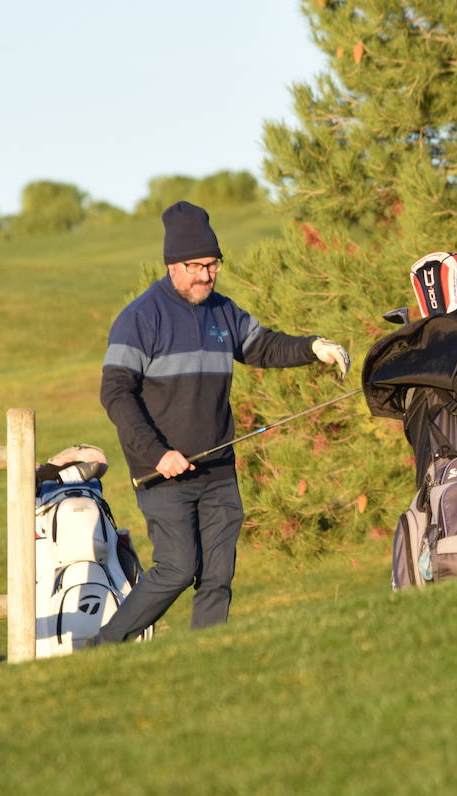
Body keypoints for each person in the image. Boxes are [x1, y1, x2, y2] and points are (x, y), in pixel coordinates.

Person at [94, 201, 349, 643]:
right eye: (197, 266)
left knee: (217, 576)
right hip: (162, 472)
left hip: (217, 470)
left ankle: (206, 658)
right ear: (173, 263)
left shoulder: (223, 312)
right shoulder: (139, 319)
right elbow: (115, 393)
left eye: (213, 265)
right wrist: (158, 454)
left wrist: (313, 348)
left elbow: (264, 347)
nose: (207, 276)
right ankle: (102, 647)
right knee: (177, 568)